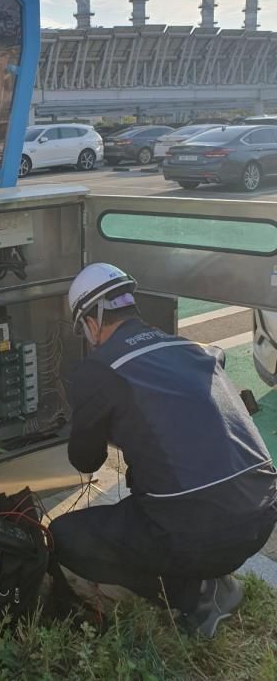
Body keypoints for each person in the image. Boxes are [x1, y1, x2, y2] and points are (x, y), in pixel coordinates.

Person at [51, 263, 277, 637]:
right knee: (150, 491)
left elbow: (86, 461)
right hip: (261, 515)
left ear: (92, 321)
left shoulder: (100, 369)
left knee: (65, 535)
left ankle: (199, 594)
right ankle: (208, 569)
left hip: (201, 528)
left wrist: (99, 420)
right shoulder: (194, 348)